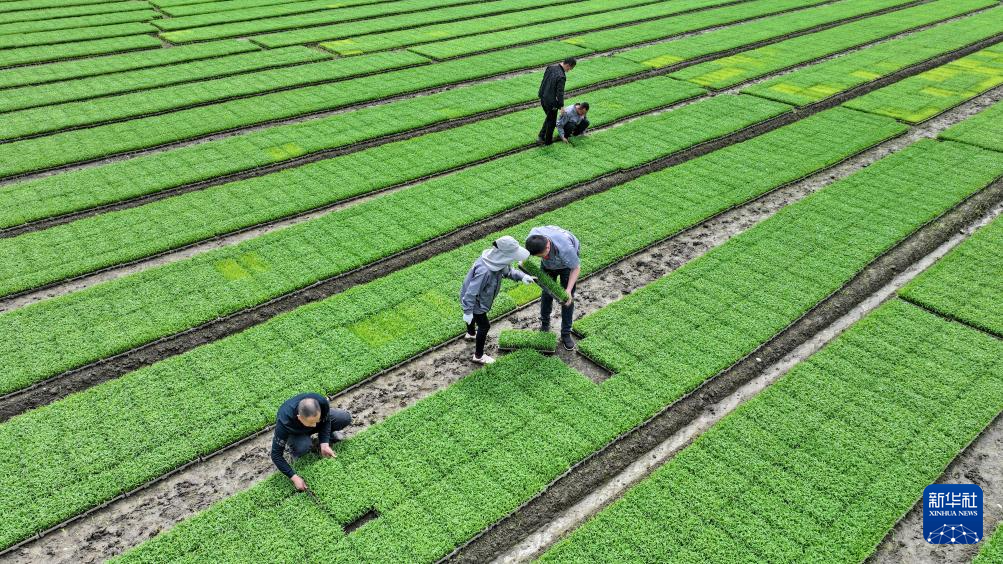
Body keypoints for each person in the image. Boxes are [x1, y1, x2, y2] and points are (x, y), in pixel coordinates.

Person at [460, 236, 536, 364]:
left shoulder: (496, 261)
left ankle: (471, 333)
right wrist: (467, 311)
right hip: (476, 301)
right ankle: (478, 356)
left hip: (477, 299)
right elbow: (471, 293)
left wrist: (522, 276)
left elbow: (508, 271)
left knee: (473, 318)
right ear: (503, 254)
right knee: (484, 326)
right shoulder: (485, 271)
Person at [270, 392, 352, 492]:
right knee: (303, 446)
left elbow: (326, 420)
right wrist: (294, 477)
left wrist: (324, 442)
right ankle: (294, 448)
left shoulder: (321, 402)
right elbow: (276, 455)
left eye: (317, 421)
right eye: (311, 423)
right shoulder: (284, 422)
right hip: (296, 432)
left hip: (312, 420)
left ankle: (329, 434)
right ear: (299, 417)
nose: (314, 426)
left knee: (344, 418)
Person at [525, 226, 580, 350]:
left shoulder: (566, 248)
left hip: (566, 266)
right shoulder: (532, 238)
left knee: (567, 299)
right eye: (539, 257)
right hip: (548, 266)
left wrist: (568, 290)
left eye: (542, 255)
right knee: (546, 294)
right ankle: (545, 324)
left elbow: (576, 268)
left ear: (548, 247)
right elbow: (525, 255)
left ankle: (566, 333)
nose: (542, 257)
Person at [537, 57, 576, 145]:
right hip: (551, 102)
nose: (569, 70)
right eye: (570, 68)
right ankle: (548, 142)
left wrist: (541, 94)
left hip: (543, 97)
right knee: (551, 122)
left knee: (549, 117)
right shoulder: (561, 76)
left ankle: (541, 136)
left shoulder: (550, 67)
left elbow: (543, 81)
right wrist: (561, 106)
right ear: (568, 65)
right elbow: (560, 93)